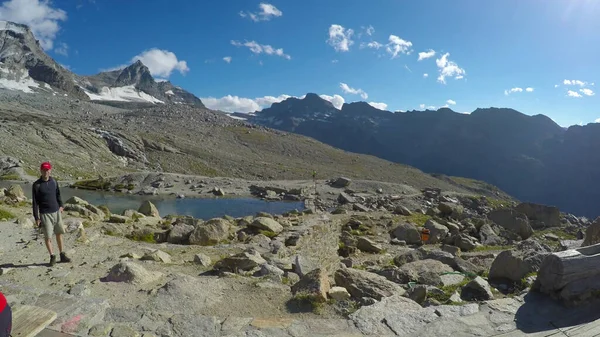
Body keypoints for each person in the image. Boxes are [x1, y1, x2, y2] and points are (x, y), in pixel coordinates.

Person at [32, 161, 71, 266]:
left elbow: (58, 194)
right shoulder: (36, 185)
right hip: (45, 214)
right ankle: (52, 256)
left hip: (56, 212)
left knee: (59, 234)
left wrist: (61, 205)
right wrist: (36, 217)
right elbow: (35, 203)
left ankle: (62, 255)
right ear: (41, 170)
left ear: (50, 170)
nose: (46, 172)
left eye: (47, 170)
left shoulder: (54, 181)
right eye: (44, 170)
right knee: (48, 237)